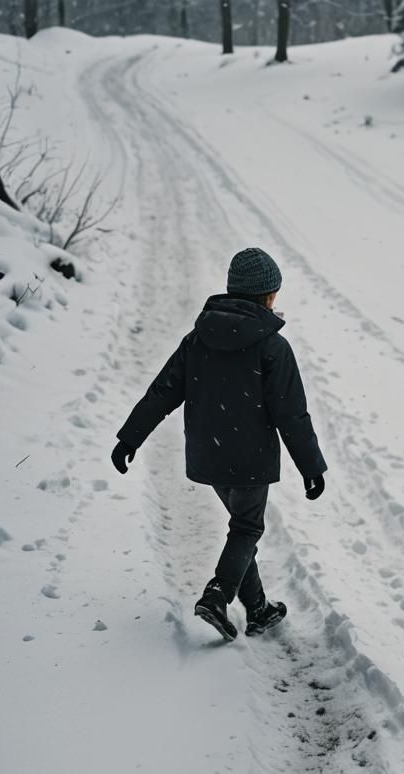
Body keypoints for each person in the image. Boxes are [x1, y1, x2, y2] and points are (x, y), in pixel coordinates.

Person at [111, 248, 327, 641]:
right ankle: (218, 594)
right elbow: (292, 415)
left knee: (242, 529)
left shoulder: (198, 339)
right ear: (266, 296)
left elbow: (163, 392)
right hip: (251, 458)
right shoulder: (273, 347)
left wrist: (130, 436)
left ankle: (258, 609)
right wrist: (311, 467)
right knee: (246, 527)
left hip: (209, 454)